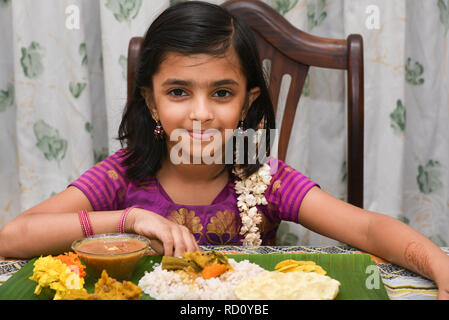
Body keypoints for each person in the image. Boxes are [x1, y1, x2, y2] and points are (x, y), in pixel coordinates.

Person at [0, 1, 448, 299]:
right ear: (151, 101)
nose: (201, 114)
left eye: (221, 93)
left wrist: (439, 265)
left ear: (248, 101)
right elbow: (12, 238)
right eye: (178, 92)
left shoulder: (265, 179)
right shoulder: (123, 174)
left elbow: (369, 231)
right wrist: (129, 219)